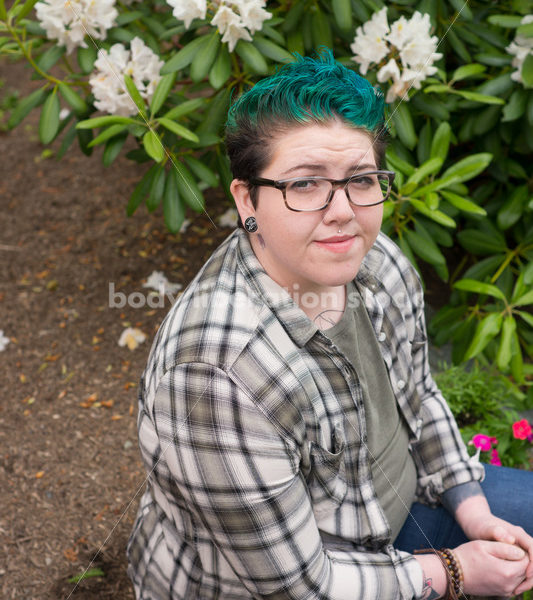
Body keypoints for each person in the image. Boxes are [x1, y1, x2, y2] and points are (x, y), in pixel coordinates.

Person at [127, 51, 533, 599]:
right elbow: (299, 586)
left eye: (360, 179)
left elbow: (420, 396)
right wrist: (455, 573)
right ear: (247, 199)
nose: (342, 210)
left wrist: (472, 506)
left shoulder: (377, 260)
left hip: (400, 512)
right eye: (305, 185)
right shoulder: (214, 375)